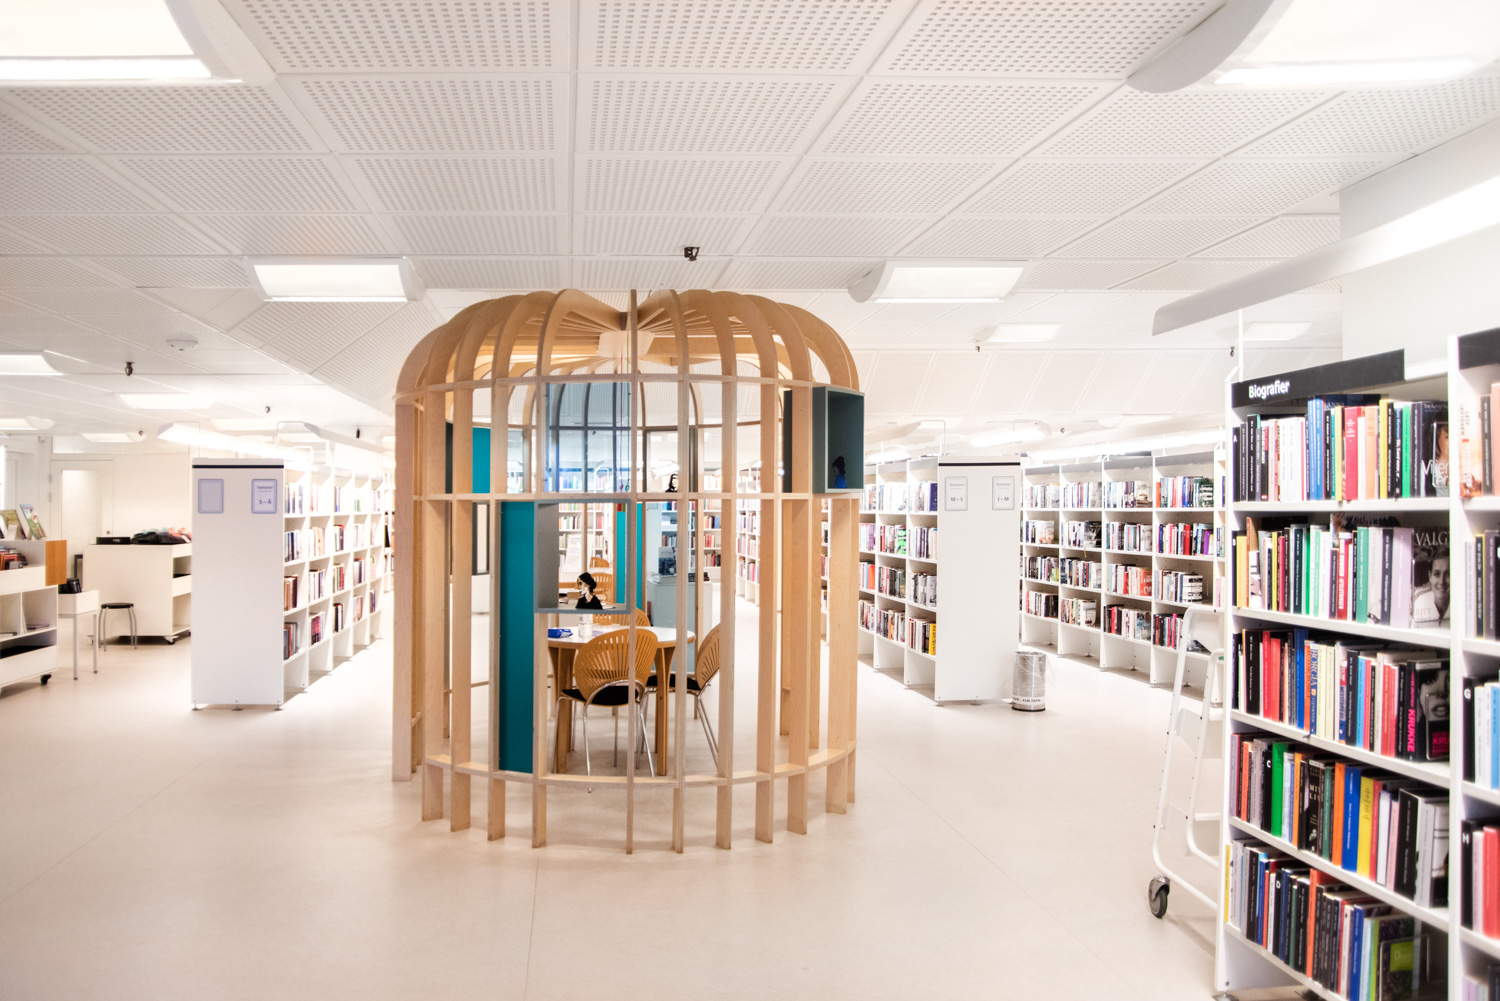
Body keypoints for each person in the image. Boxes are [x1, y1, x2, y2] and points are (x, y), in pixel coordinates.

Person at [1411, 552, 1450, 625]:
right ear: (1430, 576)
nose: (1441, 581)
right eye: (1437, 574)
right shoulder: (1419, 603)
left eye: (1448, 574)